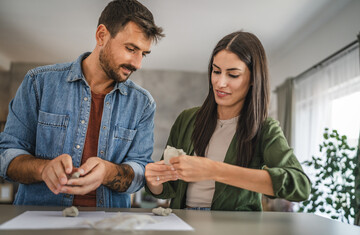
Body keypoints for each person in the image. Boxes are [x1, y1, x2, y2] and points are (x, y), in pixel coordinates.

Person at [0, 0, 164, 207]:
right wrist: (43, 169)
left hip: (109, 226)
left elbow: (141, 172)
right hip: (41, 219)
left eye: (144, 54)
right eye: (131, 49)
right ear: (101, 35)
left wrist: (107, 173)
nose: (137, 63)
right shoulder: (38, 83)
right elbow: (6, 155)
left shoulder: (143, 104)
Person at [145, 31, 311, 211]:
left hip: (235, 228)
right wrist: (156, 180)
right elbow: (168, 188)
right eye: (216, 71)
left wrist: (214, 170)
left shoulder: (265, 129)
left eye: (233, 75)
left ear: (253, 79)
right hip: (183, 222)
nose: (220, 82)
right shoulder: (187, 119)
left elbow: (300, 186)